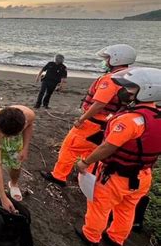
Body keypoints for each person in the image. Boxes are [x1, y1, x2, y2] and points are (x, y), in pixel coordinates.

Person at [74, 67, 161, 246]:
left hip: (115, 175)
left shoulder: (130, 120)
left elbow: (107, 147)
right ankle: (116, 239)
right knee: (126, 210)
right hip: (143, 175)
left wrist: (84, 162)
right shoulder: (157, 116)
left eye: (132, 88)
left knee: (99, 206)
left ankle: (91, 237)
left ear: (147, 90)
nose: (125, 91)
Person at [41, 44, 137, 186]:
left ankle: (59, 176)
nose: (105, 61)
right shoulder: (131, 78)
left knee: (69, 147)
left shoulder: (111, 79)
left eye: (107, 58)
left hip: (93, 122)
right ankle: (86, 178)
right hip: (109, 122)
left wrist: (82, 119)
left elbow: (99, 104)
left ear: (115, 59)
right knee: (92, 151)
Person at [0, 105, 35, 212]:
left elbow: (29, 126)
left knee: (16, 163)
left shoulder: (29, 115)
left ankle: (14, 184)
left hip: (14, 136)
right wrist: (3, 197)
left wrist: (25, 148)